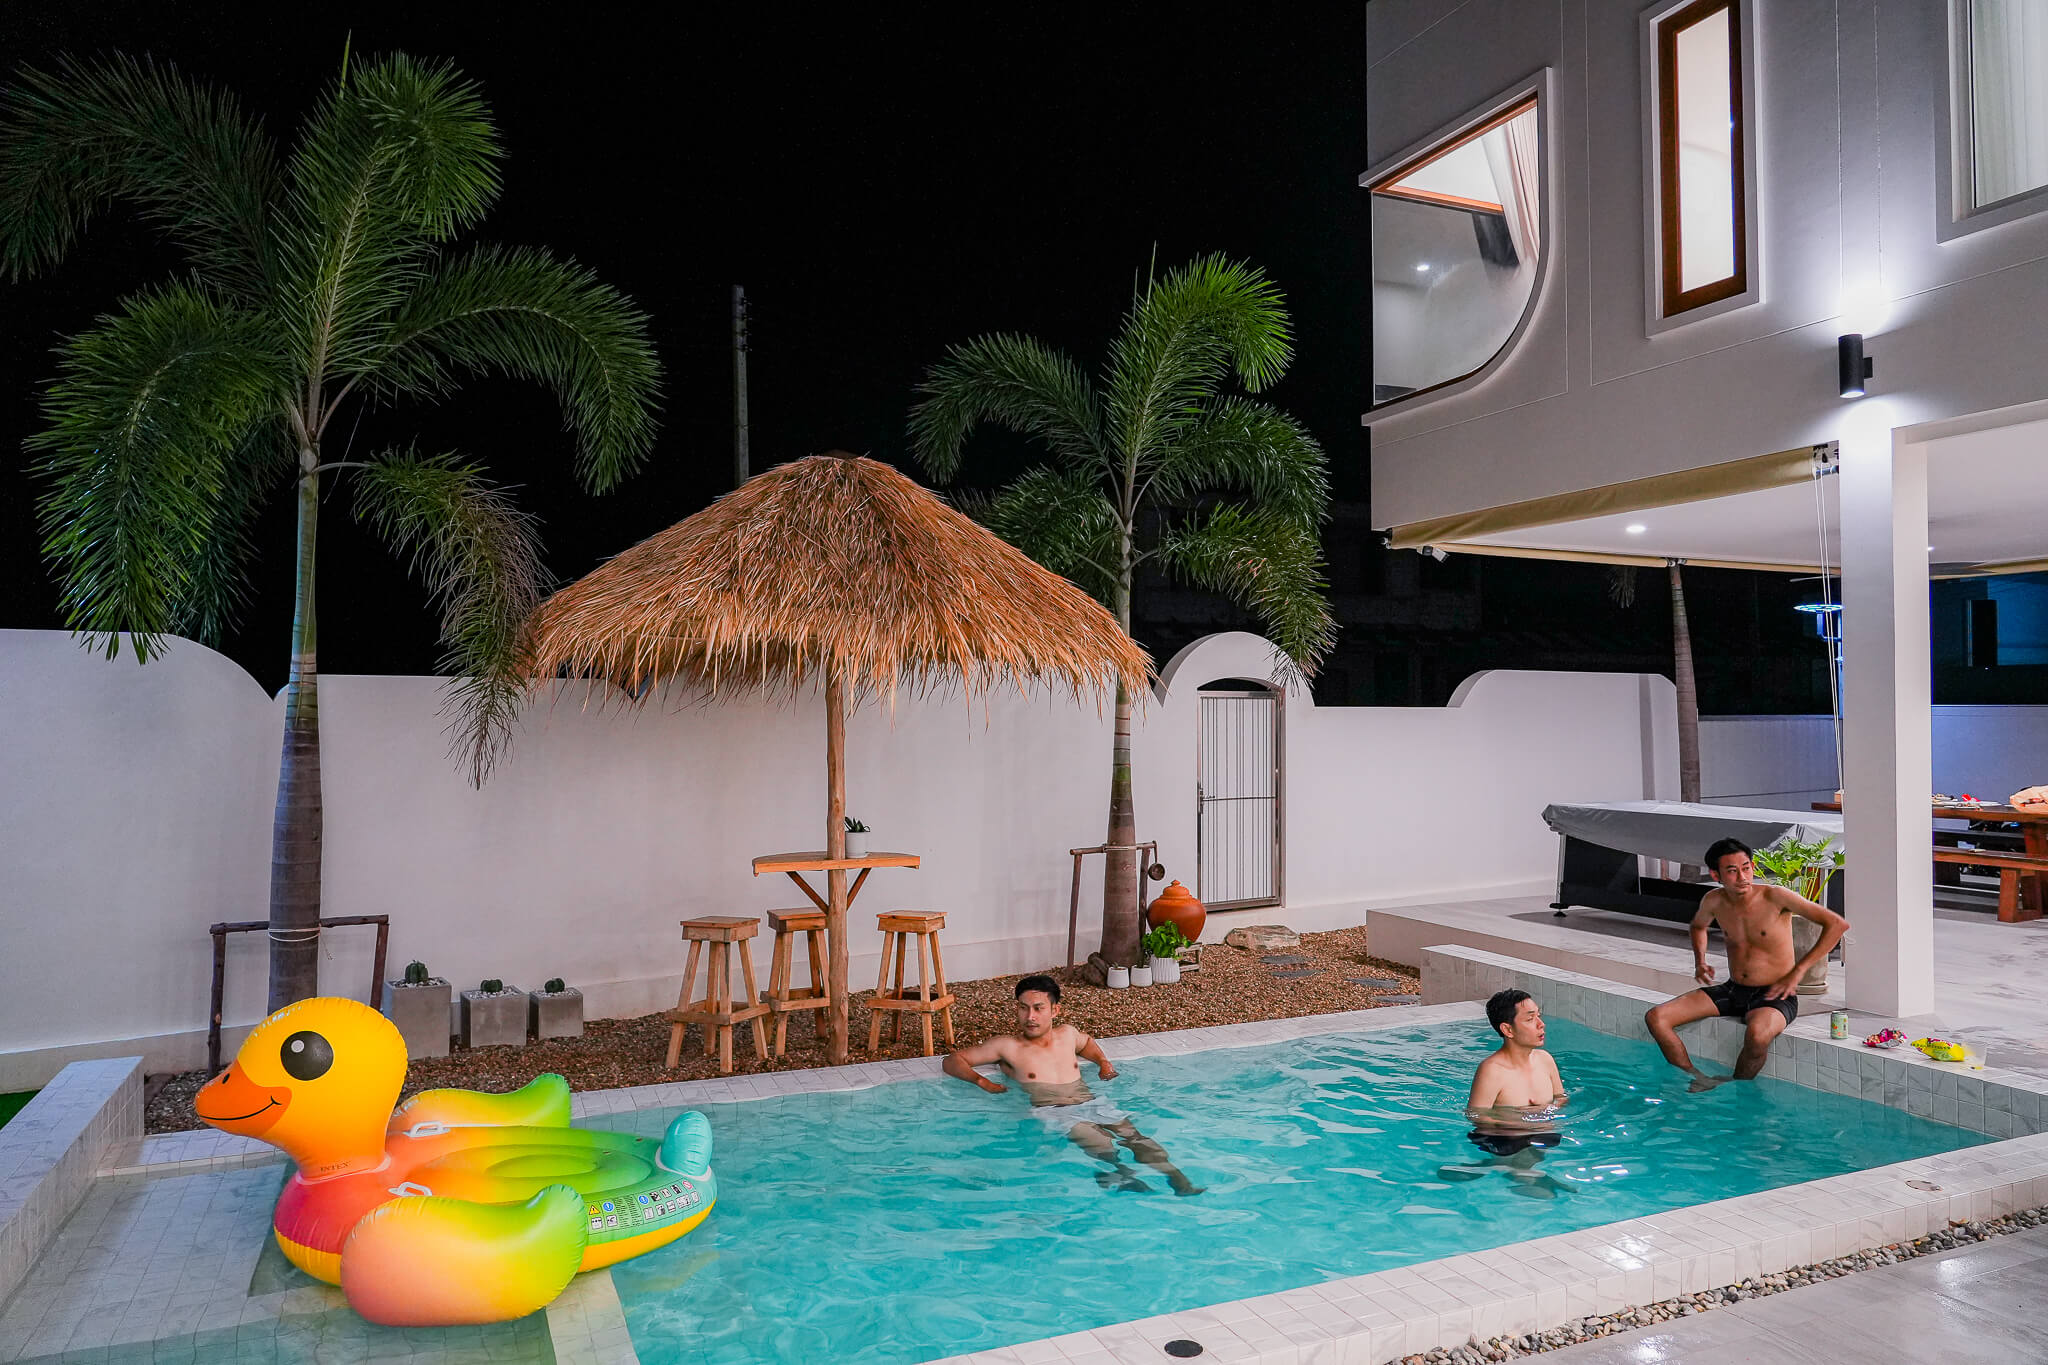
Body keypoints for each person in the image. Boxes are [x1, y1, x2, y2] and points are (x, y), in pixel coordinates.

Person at [943, 974, 1202, 1195]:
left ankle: (1177, 1179)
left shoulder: (1066, 1034)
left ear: (1055, 1010)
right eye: (1023, 1008)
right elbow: (953, 1061)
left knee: (1135, 1137)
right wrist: (981, 1081)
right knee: (1100, 1142)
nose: (1030, 1016)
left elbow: (1087, 1042)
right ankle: (1122, 1174)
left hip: (1090, 1101)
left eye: (1038, 1008)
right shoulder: (1007, 1046)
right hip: (1054, 1109)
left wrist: (1103, 1062)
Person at [1644, 836, 1848, 1089]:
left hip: (1774, 995)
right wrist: (1700, 961)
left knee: (1758, 1036)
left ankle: (1735, 1088)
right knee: (1657, 1018)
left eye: (1746, 868)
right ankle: (1698, 1079)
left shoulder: (1776, 897)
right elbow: (1698, 926)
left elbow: (1837, 924)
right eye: (1732, 871)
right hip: (1732, 990)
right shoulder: (1714, 900)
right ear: (1716, 875)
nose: (1742, 877)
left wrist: (1798, 972)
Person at [1441, 989, 1568, 1197]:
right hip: (1504, 1139)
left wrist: (1550, 1110)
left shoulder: (1545, 1060)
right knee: (1537, 1185)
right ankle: (1511, 1170)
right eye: (1530, 1019)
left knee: (1535, 1158)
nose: (1541, 1024)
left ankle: (1498, 1167)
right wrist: (1519, 1123)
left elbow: (1561, 1097)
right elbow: (1476, 1115)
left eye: (1539, 1016)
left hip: (1543, 1134)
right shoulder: (1492, 1070)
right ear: (1508, 1029)